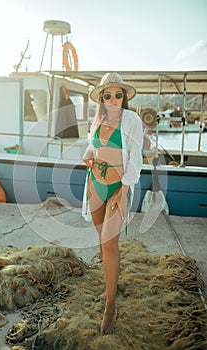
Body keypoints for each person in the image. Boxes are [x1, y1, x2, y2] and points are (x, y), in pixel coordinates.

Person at [82, 72, 143, 335]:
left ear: (124, 97)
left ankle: (110, 306)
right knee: (101, 240)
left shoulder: (132, 120)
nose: (114, 99)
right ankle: (110, 285)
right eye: (108, 95)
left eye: (119, 94)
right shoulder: (98, 120)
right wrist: (88, 154)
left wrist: (124, 189)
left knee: (110, 243)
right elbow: (91, 147)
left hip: (118, 187)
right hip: (95, 185)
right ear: (102, 99)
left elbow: (136, 156)